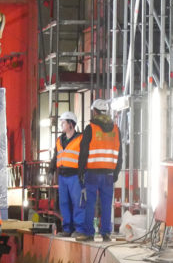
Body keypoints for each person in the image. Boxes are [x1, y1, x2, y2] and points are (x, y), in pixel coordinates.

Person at [77, 98, 121, 242]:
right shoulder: (115, 129)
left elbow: (83, 151)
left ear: (94, 112)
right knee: (106, 204)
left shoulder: (91, 128)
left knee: (90, 203)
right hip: (108, 173)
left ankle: (89, 233)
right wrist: (116, 172)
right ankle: (106, 233)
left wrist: (81, 171)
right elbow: (120, 153)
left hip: (93, 172)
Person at [49, 111, 85, 237]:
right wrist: (50, 170)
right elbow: (55, 157)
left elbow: (84, 158)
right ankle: (67, 229)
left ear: (70, 124)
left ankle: (79, 229)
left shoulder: (81, 138)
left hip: (75, 176)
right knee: (64, 203)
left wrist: (84, 174)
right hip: (62, 176)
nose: (61, 125)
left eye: (63, 122)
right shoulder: (59, 140)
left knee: (77, 203)